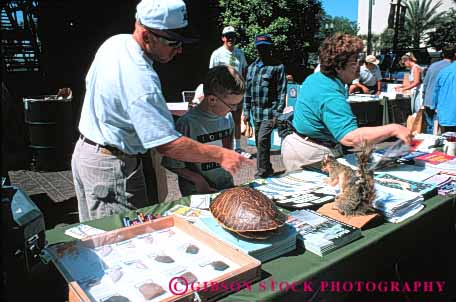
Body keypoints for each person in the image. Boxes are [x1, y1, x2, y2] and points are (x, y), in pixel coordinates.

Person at [72, 0, 252, 222]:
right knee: (122, 235)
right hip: (111, 165)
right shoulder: (141, 78)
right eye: (173, 42)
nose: (179, 49)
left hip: (91, 153)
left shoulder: (116, 43)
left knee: (96, 233)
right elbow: (167, 145)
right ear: (147, 36)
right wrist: (221, 154)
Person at [281, 34, 412, 172]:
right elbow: (350, 138)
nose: (359, 67)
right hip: (310, 154)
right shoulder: (330, 93)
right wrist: (394, 129)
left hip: (304, 144)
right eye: (354, 62)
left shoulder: (319, 78)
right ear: (338, 67)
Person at [162, 65, 245, 196]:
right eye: (232, 105)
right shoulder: (186, 124)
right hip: (197, 192)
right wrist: (198, 180)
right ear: (212, 99)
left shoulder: (227, 119)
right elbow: (172, 163)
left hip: (225, 187)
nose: (235, 109)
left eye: (238, 104)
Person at [243, 34, 287, 178]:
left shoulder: (278, 67)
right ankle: (267, 168)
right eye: (260, 48)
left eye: (265, 47)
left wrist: (278, 113)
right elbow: (247, 92)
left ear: (270, 48)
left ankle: (261, 173)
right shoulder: (251, 68)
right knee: (260, 143)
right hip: (256, 113)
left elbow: (282, 91)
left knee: (262, 140)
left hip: (270, 112)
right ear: (257, 49)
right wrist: (245, 111)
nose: (263, 50)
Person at [209, 26, 251, 157]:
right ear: (223, 38)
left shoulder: (240, 53)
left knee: (237, 120)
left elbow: (244, 71)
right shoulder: (217, 54)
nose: (230, 39)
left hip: (237, 94)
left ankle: (238, 148)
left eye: (233, 36)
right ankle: (225, 149)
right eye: (228, 36)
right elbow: (211, 74)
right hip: (222, 94)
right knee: (223, 120)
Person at [422, 46, 456, 134]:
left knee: (431, 127)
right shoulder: (450, 68)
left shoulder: (433, 66)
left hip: (430, 101)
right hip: (445, 105)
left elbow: (425, 83)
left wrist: (424, 98)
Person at [433, 48, 456, 133]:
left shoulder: (444, 71)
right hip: (448, 113)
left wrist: (434, 106)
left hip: (447, 113)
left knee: (448, 143)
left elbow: (436, 92)